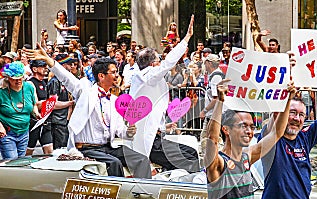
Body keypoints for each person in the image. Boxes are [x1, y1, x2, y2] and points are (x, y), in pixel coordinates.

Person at [24, 46, 152, 178]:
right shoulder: (85, 92)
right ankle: (118, 196)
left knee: (142, 159)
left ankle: (143, 192)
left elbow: (120, 130)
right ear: (101, 76)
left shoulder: (114, 100)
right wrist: (49, 60)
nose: (117, 76)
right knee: (114, 163)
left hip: (108, 148)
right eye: (113, 72)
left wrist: (129, 132)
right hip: (87, 149)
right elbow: (66, 78)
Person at [205, 80, 295, 199]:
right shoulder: (218, 163)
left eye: (251, 126)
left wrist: (288, 99)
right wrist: (220, 101)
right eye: (243, 125)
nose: (249, 130)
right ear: (226, 130)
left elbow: (277, 133)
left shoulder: (247, 157)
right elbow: (212, 140)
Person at [129, 15, 199, 172]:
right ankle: (188, 187)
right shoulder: (147, 76)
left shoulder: (143, 78)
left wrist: (163, 126)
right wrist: (187, 38)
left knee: (190, 152)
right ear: (153, 64)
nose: (161, 62)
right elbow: (169, 62)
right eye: (159, 60)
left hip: (156, 136)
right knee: (190, 155)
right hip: (150, 143)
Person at [0, 61, 40, 159]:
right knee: (12, 162)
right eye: (14, 79)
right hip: (8, 132)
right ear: (8, 78)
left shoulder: (29, 87)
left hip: (24, 131)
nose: (18, 81)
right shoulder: (2, 91)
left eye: (20, 78)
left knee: (21, 161)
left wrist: (36, 113)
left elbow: (33, 104)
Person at [47, 54, 76, 149]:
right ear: (63, 66)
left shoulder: (68, 81)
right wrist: (71, 103)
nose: (72, 66)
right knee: (60, 150)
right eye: (69, 64)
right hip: (59, 122)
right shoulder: (55, 82)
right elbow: (52, 104)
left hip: (67, 121)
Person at [25, 60, 53, 156]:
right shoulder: (30, 83)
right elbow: (35, 104)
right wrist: (50, 103)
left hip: (45, 121)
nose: (45, 68)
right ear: (34, 69)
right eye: (42, 66)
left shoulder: (44, 83)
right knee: (28, 151)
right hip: (34, 122)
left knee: (49, 151)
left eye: (46, 66)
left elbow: (47, 101)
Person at [199, 54, 225, 154]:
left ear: (209, 63)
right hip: (212, 114)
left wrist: (204, 111)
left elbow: (216, 98)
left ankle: (215, 158)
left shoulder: (216, 76)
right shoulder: (215, 75)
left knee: (211, 138)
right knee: (207, 137)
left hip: (214, 114)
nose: (204, 65)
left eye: (205, 63)